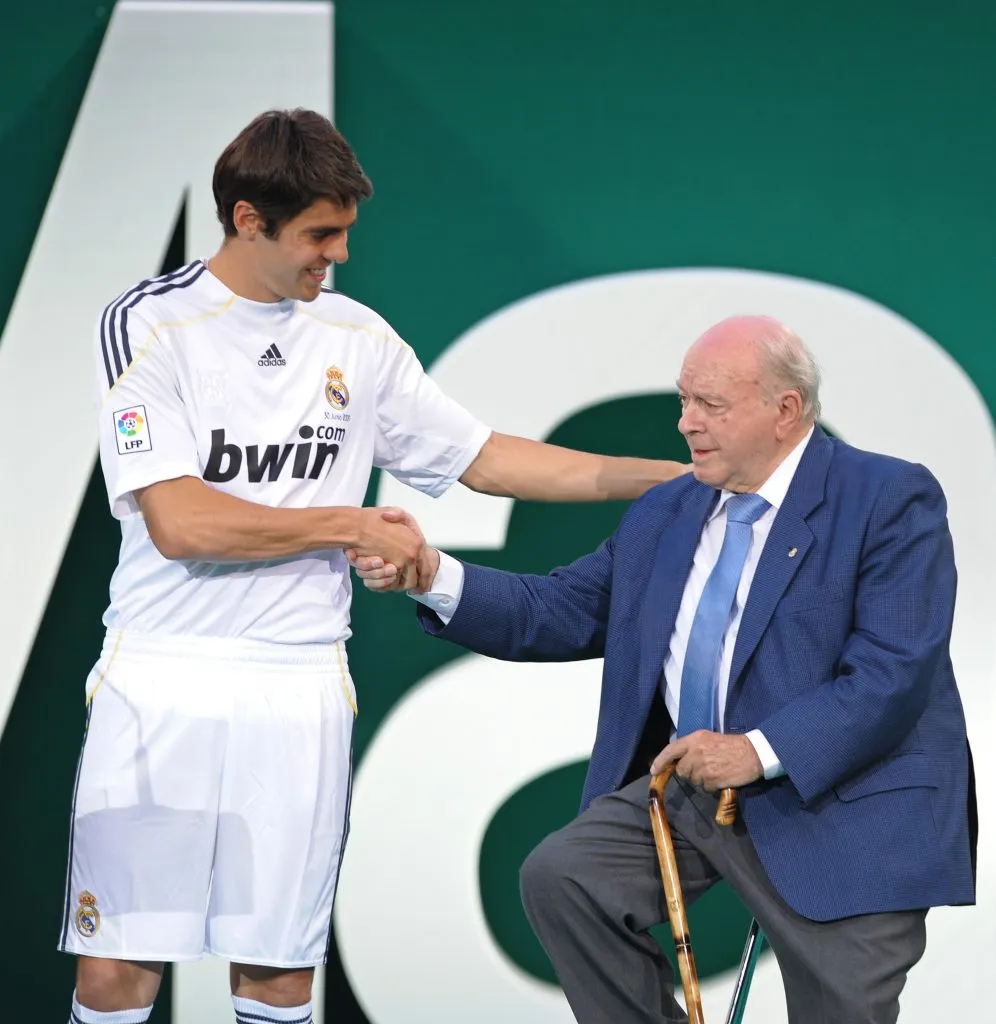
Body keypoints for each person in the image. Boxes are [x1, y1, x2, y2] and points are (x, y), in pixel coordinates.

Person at [62, 107, 690, 1024]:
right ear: (248, 219)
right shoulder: (150, 325)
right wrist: (351, 524)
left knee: (277, 975)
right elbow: (181, 522)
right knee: (117, 977)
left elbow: (485, 458)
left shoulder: (356, 338)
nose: (339, 256)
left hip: (300, 682)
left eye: (345, 233)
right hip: (163, 682)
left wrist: (676, 479)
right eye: (321, 234)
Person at [352, 315, 976, 1024]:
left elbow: (893, 673)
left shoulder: (887, 498)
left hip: (845, 800)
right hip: (694, 793)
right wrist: (432, 574)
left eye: (710, 404)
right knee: (565, 878)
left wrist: (755, 751)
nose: (685, 423)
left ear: (786, 410)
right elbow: (559, 609)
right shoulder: (669, 511)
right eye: (684, 401)